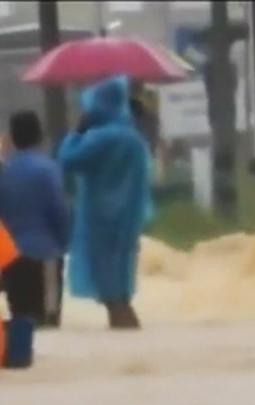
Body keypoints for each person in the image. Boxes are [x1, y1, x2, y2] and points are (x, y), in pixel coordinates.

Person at [58, 75, 153, 330]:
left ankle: (122, 328)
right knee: (121, 280)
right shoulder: (133, 139)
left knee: (108, 287)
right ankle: (128, 332)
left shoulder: (99, 138)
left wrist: (76, 131)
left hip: (99, 218)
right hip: (129, 217)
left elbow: (67, 160)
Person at [0, 111, 68, 327]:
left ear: (11, 137)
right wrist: (63, 244)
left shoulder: (5, 172)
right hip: (44, 255)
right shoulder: (48, 170)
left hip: (12, 260)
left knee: (21, 322)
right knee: (48, 323)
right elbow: (60, 211)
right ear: (40, 135)